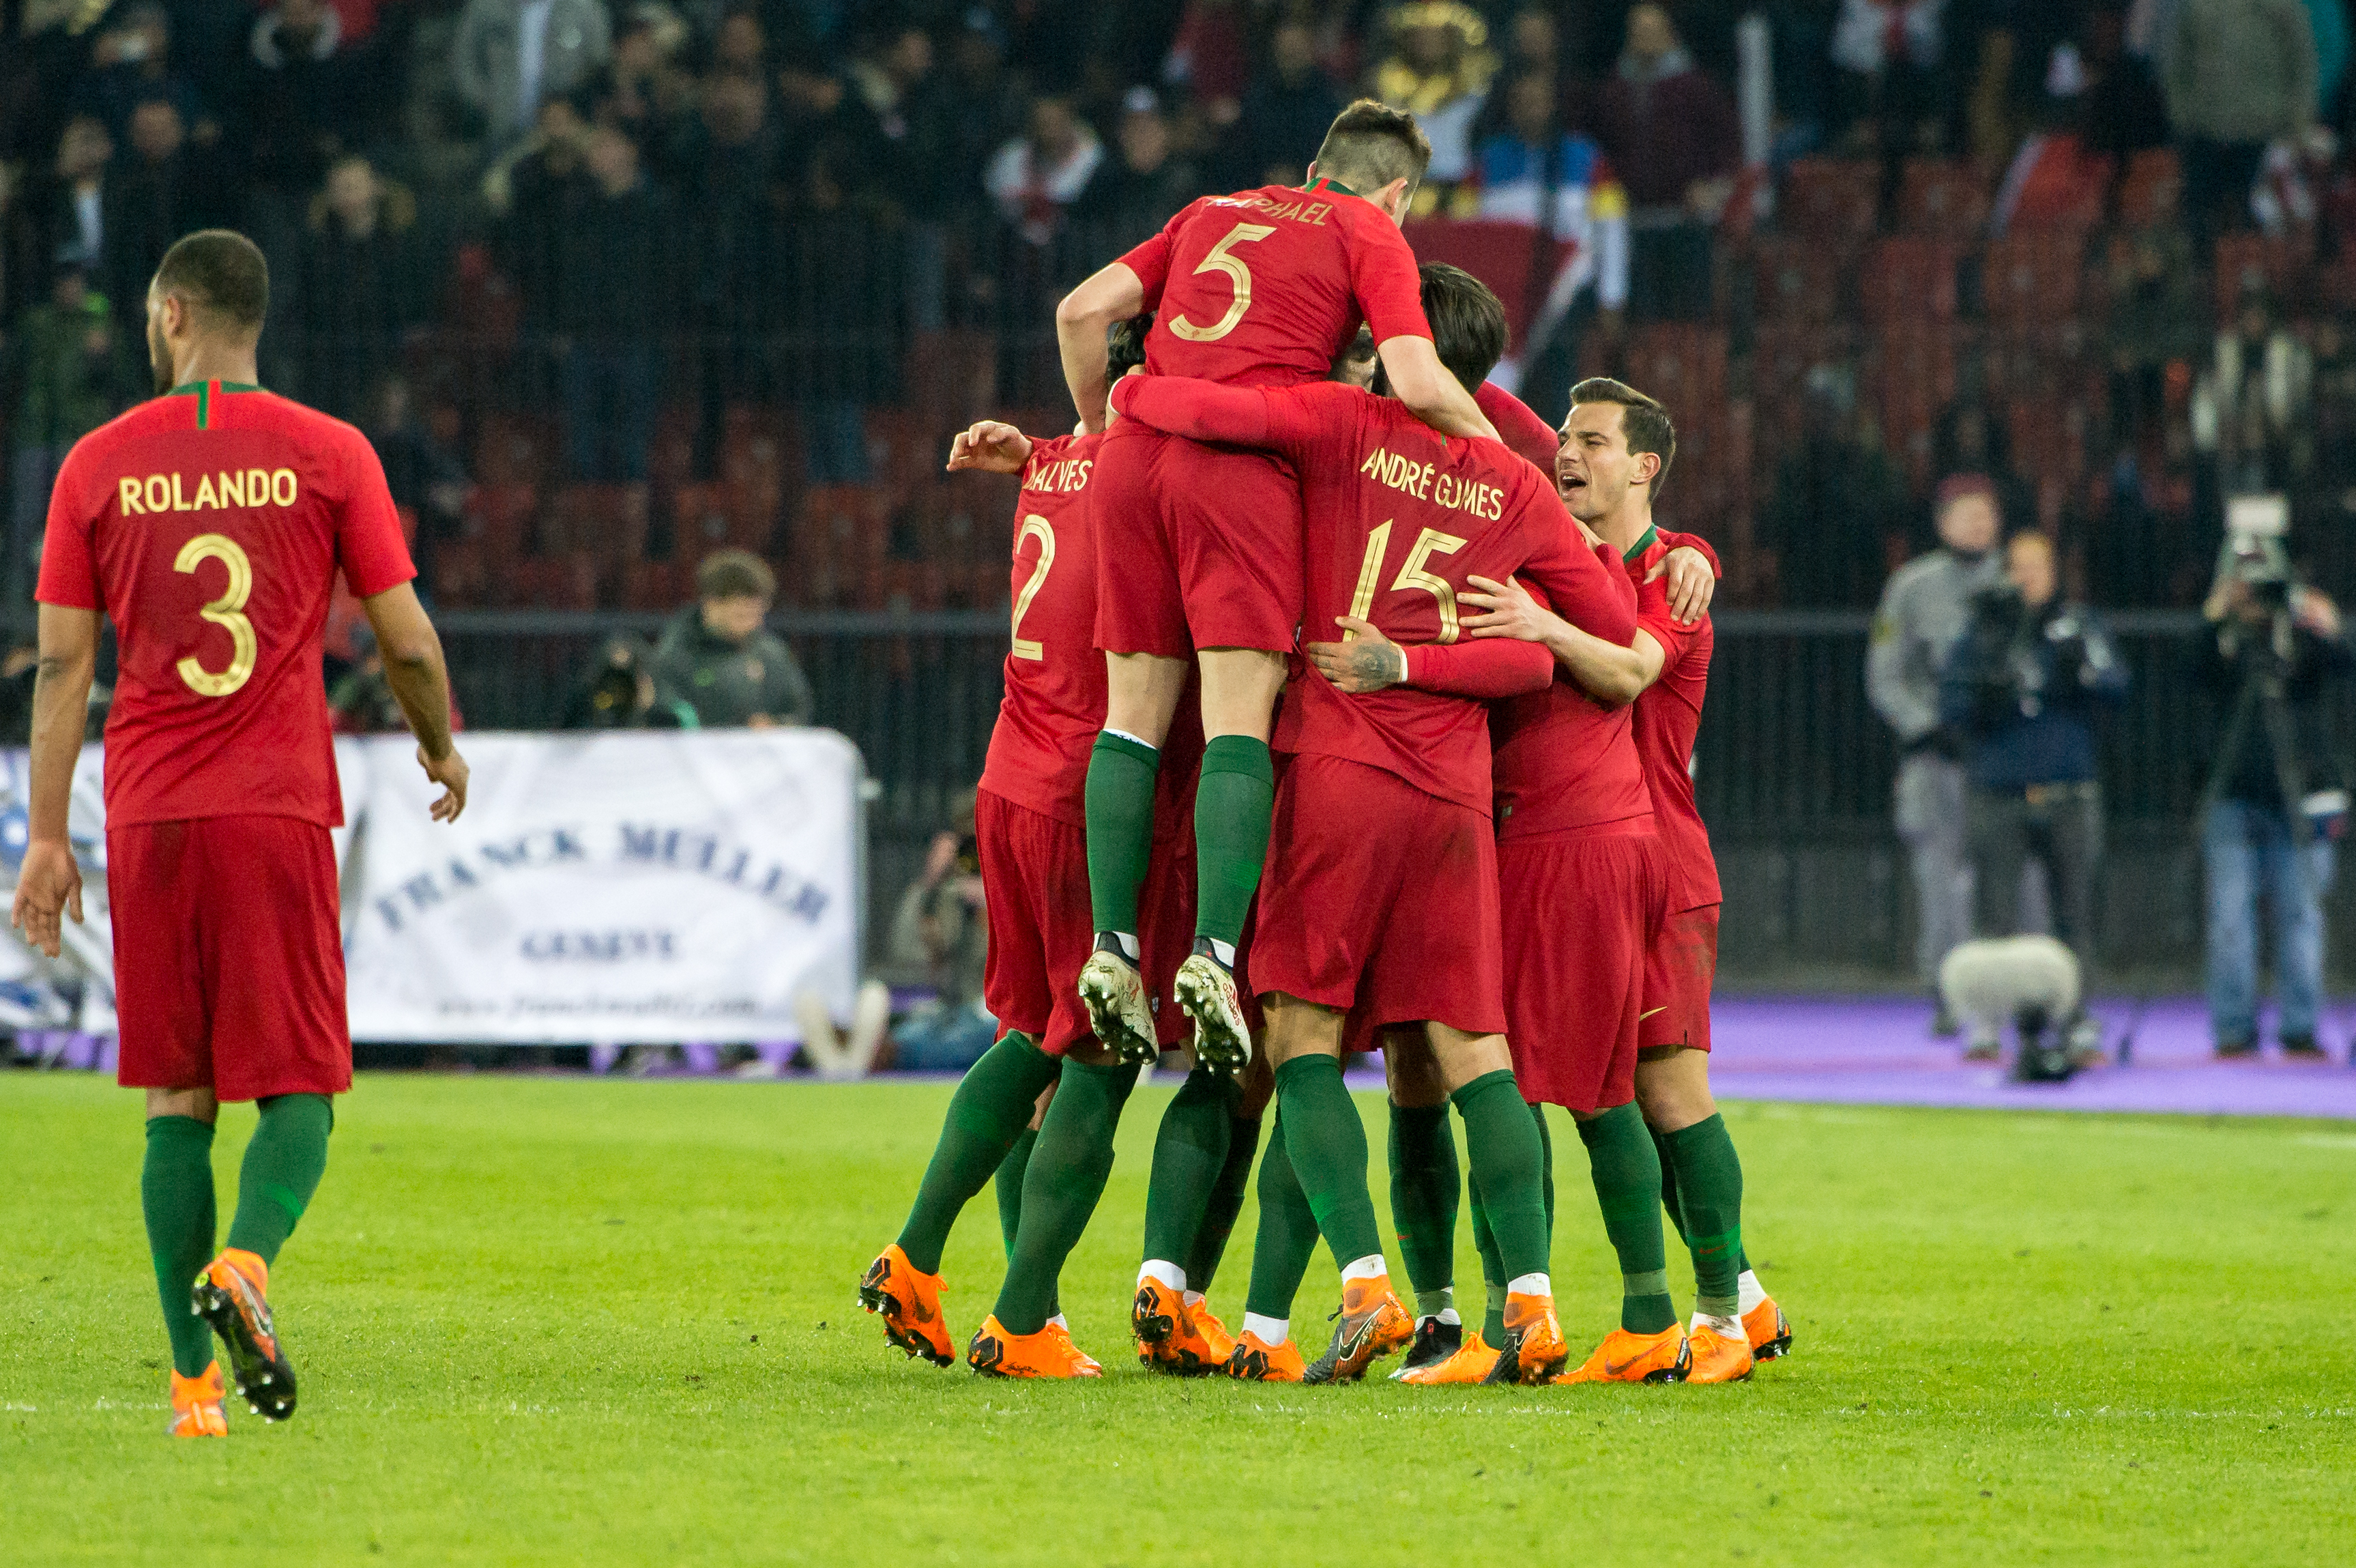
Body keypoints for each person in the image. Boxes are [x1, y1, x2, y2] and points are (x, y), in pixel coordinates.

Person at [1112, 263, 1650, 1384]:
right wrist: (1490, 628)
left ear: (1396, 354)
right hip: (1453, 797)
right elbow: (1597, 623)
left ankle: (1361, 1282)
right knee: (1471, 1050)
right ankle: (1533, 1308)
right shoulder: (1515, 487)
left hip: (1341, 770)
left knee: (1295, 1041)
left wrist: (1122, 395)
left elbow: (1227, 409)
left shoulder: (1348, 428)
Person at [11, 229, 467, 1440]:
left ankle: (191, 1388)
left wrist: (45, 836)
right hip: (271, 804)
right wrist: (436, 742)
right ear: (252, 317)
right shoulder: (328, 451)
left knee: (176, 1092)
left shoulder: (96, 464)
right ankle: (248, 1264)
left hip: (148, 805)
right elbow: (406, 638)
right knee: (302, 1084)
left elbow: (63, 661)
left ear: (169, 315)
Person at [1053, 98, 1500, 1079]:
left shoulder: (1210, 207)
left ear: (1311, 165)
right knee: (1236, 720)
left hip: (1134, 458)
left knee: (1130, 720)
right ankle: (1213, 952)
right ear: (1395, 192)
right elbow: (1417, 378)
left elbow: (1082, 312)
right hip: (1236, 465)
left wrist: (1094, 429)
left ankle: (1113, 947)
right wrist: (1495, 457)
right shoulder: (1367, 228)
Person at [861, 319, 1227, 1380]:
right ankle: (1019, 1319)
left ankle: (922, 1259)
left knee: (1033, 1034)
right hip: (1094, 795)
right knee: (1105, 1051)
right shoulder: (1152, 479)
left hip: (1013, 773)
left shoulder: (1063, 460)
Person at [1429, 379, 1790, 1380]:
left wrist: (1542, 627)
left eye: (1593, 440)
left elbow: (1627, 672)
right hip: (1573, 853)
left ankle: (1715, 1314)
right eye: (1567, 438)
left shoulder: (1671, 574)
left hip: (1655, 862)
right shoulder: (1577, 555)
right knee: (1612, 1091)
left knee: (1664, 1092)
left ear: (1646, 466)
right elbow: (1487, 414)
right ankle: (1735, 1304)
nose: (1569, 453)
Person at [1939, 529, 2128, 1062]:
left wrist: (2081, 673)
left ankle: (2076, 1019)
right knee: (1993, 913)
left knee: (2076, 911)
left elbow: (2117, 688)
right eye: (2016, 566)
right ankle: (1986, 1022)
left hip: (2068, 791)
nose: (2026, 577)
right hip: (1998, 792)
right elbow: (1950, 705)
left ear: (2053, 571)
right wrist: (1984, 698)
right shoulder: (1981, 632)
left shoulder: (2078, 625)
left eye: (2036, 566)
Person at [2198, 548, 2351, 1057]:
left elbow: (2341, 665)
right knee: (2228, 919)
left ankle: (2300, 1026)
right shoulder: (2223, 639)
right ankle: (2232, 1030)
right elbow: (2190, 675)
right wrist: (2215, 618)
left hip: (2302, 792)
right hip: (2235, 793)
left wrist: (2325, 625)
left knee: (2302, 913)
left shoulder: (2300, 636)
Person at [1870, 476, 2005, 1031]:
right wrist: (1925, 726)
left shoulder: (2015, 579)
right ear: (1942, 522)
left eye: (1985, 513)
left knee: (2015, 882)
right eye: (1965, 514)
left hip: (2002, 758)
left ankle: (2013, 997)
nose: (1977, 524)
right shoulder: (1911, 587)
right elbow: (1885, 676)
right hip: (1936, 760)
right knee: (1940, 881)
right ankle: (1950, 995)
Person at [1585, 4, 1739, 321]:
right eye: (1638, 32)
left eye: (1652, 31)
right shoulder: (1612, 92)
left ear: (1670, 34)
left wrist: (1712, 188)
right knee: (1642, 323)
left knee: (1689, 321)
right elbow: (1596, 150)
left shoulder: (1697, 87)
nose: (1645, 39)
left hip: (1686, 223)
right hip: (1630, 225)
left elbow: (1729, 145)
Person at [8, 261, 139, 598]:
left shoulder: (100, 328)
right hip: (37, 435)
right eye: (65, 280)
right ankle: (22, 599)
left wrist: (102, 356)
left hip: (82, 437)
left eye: (76, 280)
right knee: (29, 520)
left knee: (85, 522)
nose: (71, 287)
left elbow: (121, 383)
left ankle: (90, 593)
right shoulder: (37, 325)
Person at [2162, 0, 2317, 241]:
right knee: (2200, 225)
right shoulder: (2197, 6)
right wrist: (2182, 116)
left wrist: (2297, 127)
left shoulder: (2283, 7)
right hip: (2205, 134)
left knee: (2258, 227)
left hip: (2262, 135)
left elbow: (2302, 65)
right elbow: (2179, 63)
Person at [884, 790, 996, 1072]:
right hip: (948, 1011)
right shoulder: (944, 896)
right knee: (905, 1040)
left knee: (982, 1039)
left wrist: (994, 900)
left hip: (991, 1013)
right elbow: (905, 950)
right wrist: (932, 885)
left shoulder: (1016, 890)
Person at [649, 550, 813, 728]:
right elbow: (668, 718)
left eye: (757, 615)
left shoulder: (772, 653)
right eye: (741, 616)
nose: (752, 625)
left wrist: (776, 725)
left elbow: (798, 711)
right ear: (711, 605)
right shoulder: (674, 658)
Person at [451, 0, 613, 146]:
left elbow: (599, 64)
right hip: (499, 128)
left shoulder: (584, 8)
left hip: (564, 135)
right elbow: (464, 60)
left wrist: (575, 109)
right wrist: (486, 103)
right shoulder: (485, 7)